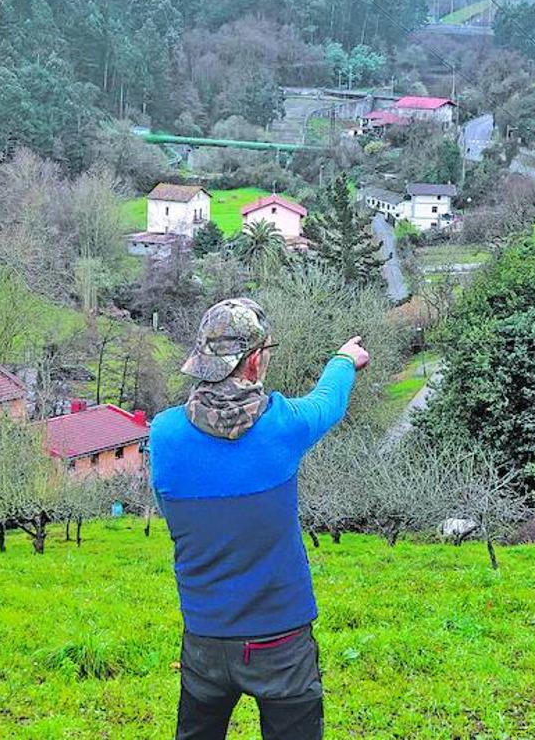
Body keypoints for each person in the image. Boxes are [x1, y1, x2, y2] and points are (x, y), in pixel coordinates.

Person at [150, 298, 369, 740]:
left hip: (205, 639)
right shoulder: (283, 425)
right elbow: (327, 402)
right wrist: (344, 360)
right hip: (281, 641)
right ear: (253, 363)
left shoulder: (163, 434)